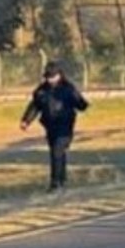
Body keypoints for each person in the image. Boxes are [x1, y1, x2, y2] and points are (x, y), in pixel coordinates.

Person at [20, 62, 89, 192]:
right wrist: (26, 120)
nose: (50, 79)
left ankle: (55, 182)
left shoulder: (68, 89)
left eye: (52, 76)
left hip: (65, 125)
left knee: (57, 151)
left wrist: (82, 104)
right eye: (48, 77)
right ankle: (62, 179)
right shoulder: (41, 91)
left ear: (59, 75)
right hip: (50, 126)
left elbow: (80, 103)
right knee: (57, 152)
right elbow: (35, 107)